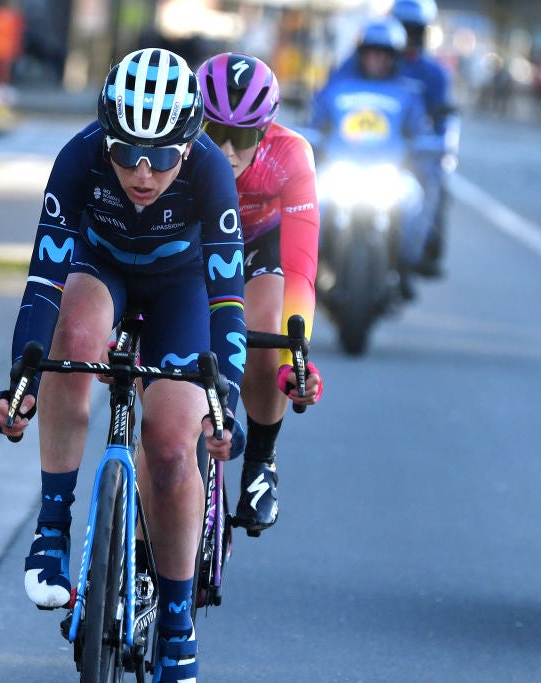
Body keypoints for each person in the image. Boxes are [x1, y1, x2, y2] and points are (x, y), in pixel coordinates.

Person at [0, 47, 246, 681]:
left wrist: (227, 404)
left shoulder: (212, 174)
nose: (140, 171)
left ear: (188, 146)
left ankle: (178, 624)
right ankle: (51, 531)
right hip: (101, 269)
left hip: (180, 288)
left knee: (168, 445)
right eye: (126, 151)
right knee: (72, 337)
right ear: (106, 136)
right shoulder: (78, 157)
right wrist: (21, 381)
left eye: (160, 158)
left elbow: (228, 298)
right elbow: (43, 282)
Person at [194, 52, 324, 534]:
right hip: (198, 237)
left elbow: (301, 270)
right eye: (213, 132)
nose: (227, 151)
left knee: (265, 330)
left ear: (265, 131)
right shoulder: (177, 149)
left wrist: (297, 357)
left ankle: (261, 464)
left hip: (260, 246)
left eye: (243, 136)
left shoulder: (290, 155)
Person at [325, 0, 458, 276]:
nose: (408, 36)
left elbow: (440, 121)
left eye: (414, 30)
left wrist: (435, 147)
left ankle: (416, 254)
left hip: (404, 154)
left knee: (431, 185)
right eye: (402, 28)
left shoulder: (432, 74)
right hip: (351, 152)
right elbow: (326, 104)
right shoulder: (350, 66)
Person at [310, 16, 438, 299]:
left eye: (384, 53)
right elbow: (314, 125)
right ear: (361, 53)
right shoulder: (336, 87)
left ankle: (404, 266)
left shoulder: (409, 93)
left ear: (395, 57)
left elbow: (421, 131)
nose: (377, 59)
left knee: (416, 201)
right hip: (341, 171)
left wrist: (430, 144)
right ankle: (307, 267)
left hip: (388, 174)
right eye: (371, 52)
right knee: (308, 201)